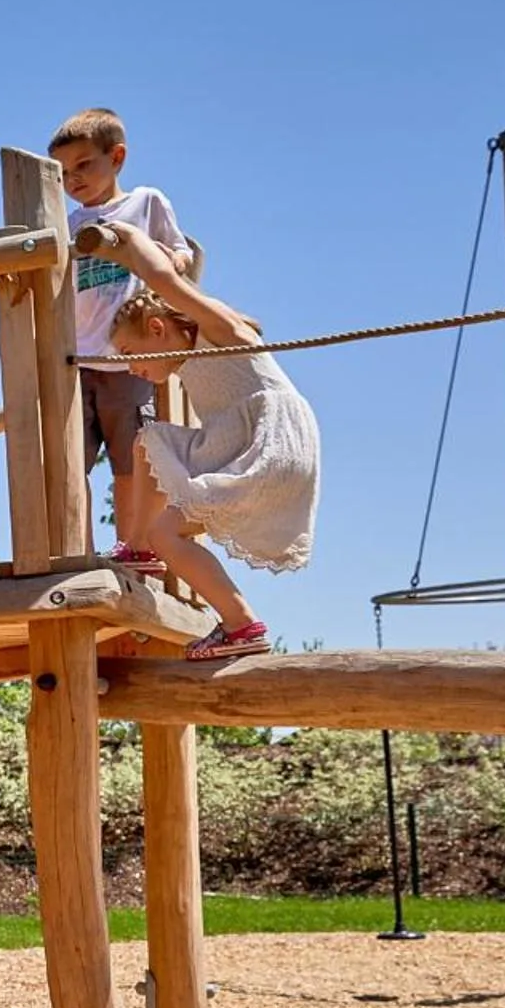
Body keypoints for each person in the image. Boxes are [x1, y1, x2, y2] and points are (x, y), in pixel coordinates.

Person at [93, 220, 320, 658]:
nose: (129, 367)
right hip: (240, 441)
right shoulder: (186, 352)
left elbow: (165, 284)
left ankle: (241, 625)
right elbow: (167, 295)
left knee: (168, 529)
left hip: (271, 442)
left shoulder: (218, 332)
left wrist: (133, 243)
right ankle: (141, 549)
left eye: (129, 354)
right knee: (147, 445)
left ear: (157, 330)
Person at [49, 108, 197, 571]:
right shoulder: (68, 224)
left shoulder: (145, 203)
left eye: (84, 165)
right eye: (65, 173)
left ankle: (135, 544)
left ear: (116, 157)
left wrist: (173, 262)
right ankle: (79, 548)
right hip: (78, 356)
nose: (74, 180)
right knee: (73, 457)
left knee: (130, 456)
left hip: (127, 358)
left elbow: (180, 252)